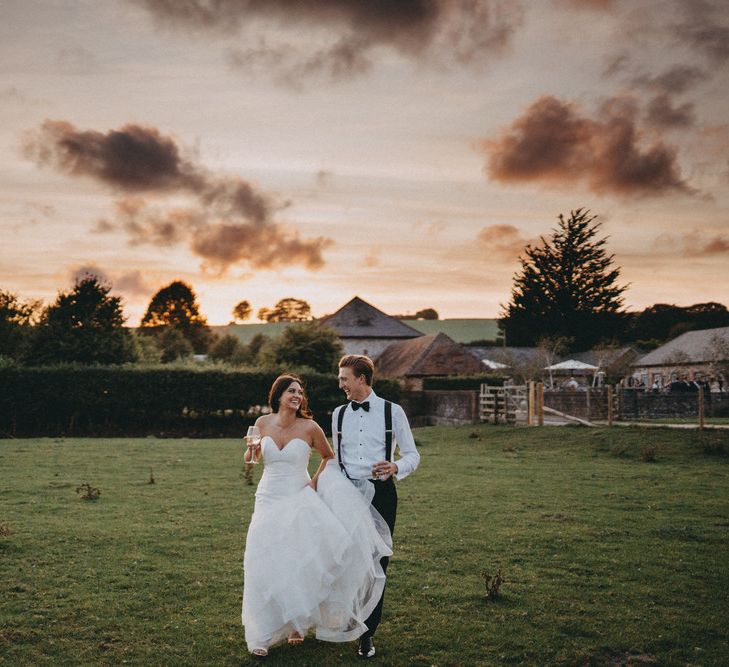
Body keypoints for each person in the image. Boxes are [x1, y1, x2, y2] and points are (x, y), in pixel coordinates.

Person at [241, 374, 392, 658]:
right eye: (291, 391)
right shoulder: (261, 423)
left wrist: (313, 483)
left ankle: (298, 623)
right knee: (262, 558)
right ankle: (262, 632)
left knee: (298, 559)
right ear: (278, 395)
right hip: (268, 498)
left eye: (299, 392)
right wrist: (251, 450)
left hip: (299, 496)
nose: (297, 396)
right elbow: (253, 460)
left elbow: (328, 456)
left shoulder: (310, 427)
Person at [333, 355, 420, 659]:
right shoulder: (338, 414)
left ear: (361, 379)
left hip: (381, 493)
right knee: (346, 560)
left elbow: (413, 455)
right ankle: (348, 617)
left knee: (376, 563)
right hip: (346, 494)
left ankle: (367, 633)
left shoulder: (392, 412)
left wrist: (396, 466)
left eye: (344, 378)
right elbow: (336, 458)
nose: (340, 383)